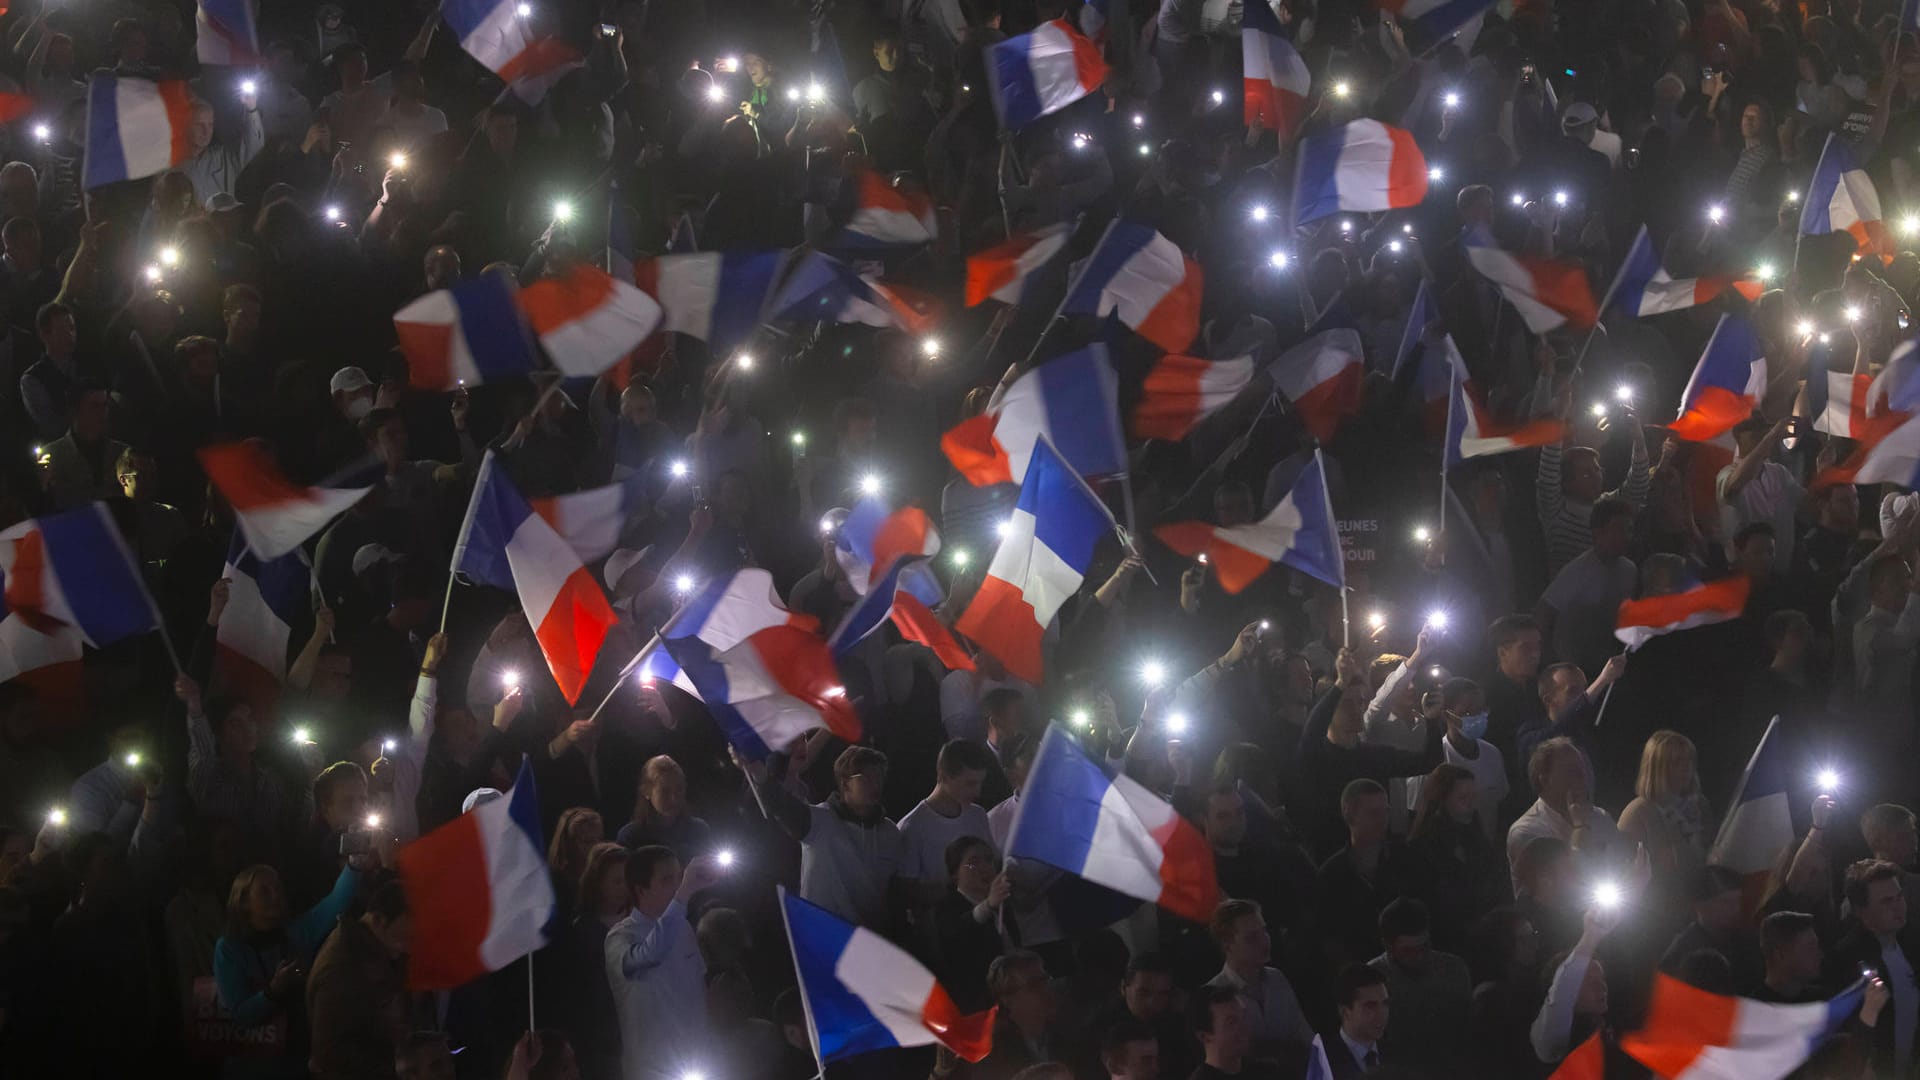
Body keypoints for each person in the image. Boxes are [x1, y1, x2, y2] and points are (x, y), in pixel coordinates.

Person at [738, 744, 904, 928]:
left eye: (880, 776)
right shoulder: (819, 821)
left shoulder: (890, 833)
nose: (876, 784)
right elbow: (781, 805)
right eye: (867, 778)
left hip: (873, 940)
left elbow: (896, 892)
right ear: (845, 782)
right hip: (824, 935)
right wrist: (758, 774)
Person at [605, 845, 719, 1080]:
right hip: (651, 1069)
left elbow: (700, 988)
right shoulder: (619, 937)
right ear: (641, 890)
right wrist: (684, 895)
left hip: (697, 1062)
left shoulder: (683, 927)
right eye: (668, 880)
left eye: (680, 877)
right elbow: (649, 956)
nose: (679, 886)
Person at [306, 880, 414, 1080]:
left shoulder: (378, 951)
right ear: (379, 920)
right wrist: (398, 1063)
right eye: (412, 919)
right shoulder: (342, 966)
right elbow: (328, 1052)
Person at [1828, 859, 1919, 1075]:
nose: (1899, 906)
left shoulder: (1913, 940)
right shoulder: (1846, 959)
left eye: (1899, 897)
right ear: (1861, 910)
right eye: (1887, 901)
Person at [1536, 495, 1638, 674]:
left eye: (1629, 530)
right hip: (1574, 667)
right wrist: (1550, 661)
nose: (1626, 536)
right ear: (1598, 532)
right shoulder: (1576, 572)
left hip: (1610, 662)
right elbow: (1543, 614)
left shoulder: (1629, 570)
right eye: (1619, 529)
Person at [1365, 898, 1471, 1070]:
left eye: (1424, 947)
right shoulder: (1371, 979)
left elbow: (1466, 1028)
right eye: (1408, 951)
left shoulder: (1453, 969)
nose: (1419, 956)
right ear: (1388, 946)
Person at [1507, 738, 1623, 894]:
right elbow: (1563, 888)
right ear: (1545, 780)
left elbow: (1621, 868)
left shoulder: (1600, 817)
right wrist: (1580, 827)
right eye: (1571, 771)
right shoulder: (1526, 832)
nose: (1583, 777)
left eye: (1583, 769)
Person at [1204, 900, 1315, 1062]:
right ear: (1228, 946)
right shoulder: (1213, 994)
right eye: (1251, 937)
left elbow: (1303, 1033)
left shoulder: (1277, 979)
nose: (1264, 941)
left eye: (1264, 931)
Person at [899, 739, 996, 894]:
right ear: (943, 777)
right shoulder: (912, 827)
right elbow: (907, 893)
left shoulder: (978, 815)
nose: (978, 792)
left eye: (980, 783)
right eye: (970, 784)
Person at [926, 835, 1007, 1012]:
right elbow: (956, 935)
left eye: (988, 860)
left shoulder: (1002, 905)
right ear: (954, 874)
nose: (985, 868)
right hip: (972, 1005)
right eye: (973, 863)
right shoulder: (944, 909)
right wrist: (988, 906)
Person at [617, 755, 713, 858]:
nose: (674, 798)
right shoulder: (631, 836)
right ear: (646, 791)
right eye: (664, 791)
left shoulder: (699, 830)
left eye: (679, 789)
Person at [1185, 985, 1283, 1080]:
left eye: (1243, 1017)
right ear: (1204, 1036)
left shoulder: (1268, 1072)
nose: (1244, 1026)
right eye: (1231, 1022)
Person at [1322, 964, 1392, 1078]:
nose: (1382, 1014)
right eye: (1370, 1006)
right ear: (1345, 1011)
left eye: (1385, 1003)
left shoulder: (1399, 1055)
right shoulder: (1323, 1061)